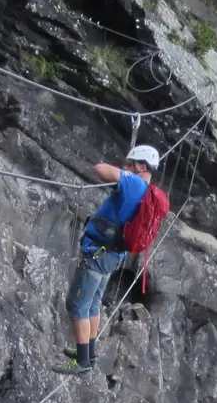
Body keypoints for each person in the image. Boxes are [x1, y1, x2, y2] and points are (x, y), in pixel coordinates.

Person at [58, 145, 160, 375]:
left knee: (76, 305)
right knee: (93, 303)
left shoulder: (135, 184)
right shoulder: (144, 189)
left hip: (99, 254)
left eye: (129, 164)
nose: (125, 167)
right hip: (111, 255)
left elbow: (100, 169)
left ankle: (82, 362)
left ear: (141, 167)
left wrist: (123, 173)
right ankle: (89, 353)